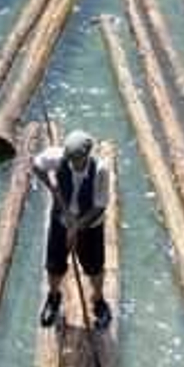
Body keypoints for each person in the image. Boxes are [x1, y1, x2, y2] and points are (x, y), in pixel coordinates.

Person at [32, 129, 113, 330]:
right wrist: (51, 187)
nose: (71, 163)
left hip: (90, 223)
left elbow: (100, 206)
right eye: (69, 158)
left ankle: (99, 300)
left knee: (94, 266)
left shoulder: (100, 170)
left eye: (75, 159)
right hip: (61, 218)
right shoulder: (58, 157)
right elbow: (36, 165)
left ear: (86, 156)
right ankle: (53, 297)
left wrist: (77, 227)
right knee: (54, 263)